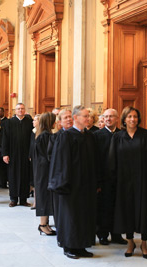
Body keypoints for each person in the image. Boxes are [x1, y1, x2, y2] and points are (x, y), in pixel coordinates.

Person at [108, 106, 147, 259]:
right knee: (127, 211)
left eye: (135, 116)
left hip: (142, 181)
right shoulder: (118, 137)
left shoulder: (146, 135)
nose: (133, 119)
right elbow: (112, 160)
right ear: (124, 119)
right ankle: (130, 242)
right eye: (129, 117)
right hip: (123, 182)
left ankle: (144, 243)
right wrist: (112, 180)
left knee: (143, 211)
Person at [48, 105, 97, 259]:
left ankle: (81, 245)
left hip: (86, 185)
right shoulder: (66, 136)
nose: (88, 119)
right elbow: (61, 162)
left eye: (88, 116)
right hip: (70, 185)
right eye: (85, 116)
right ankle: (69, 246)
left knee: (83, 216)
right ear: (75, 118)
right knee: (70, 216)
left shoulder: (89, 136)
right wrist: (62, 183)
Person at [94, 109, 127, 246]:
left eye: (111, 116)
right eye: (106, 117)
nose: (108, 119)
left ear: (117, 118)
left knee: (118, 207)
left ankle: (116, 234)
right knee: (104, 208)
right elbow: (95, 160)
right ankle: (102, 234)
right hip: (104, 179)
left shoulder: (123, 135)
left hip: (120, 179)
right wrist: (97, 182)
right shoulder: (97, 136)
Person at [2, 103, 33, 207]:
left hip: (25, 154)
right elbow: (4, 139)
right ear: (15, 111)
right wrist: (5, 154)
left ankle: (23, 199)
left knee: (25, 176)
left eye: (22, 109)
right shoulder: (9, 122)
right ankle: (13, 199)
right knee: (13, 176)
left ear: (25, 110)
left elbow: (32, 139)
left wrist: (31, 153)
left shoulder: (29, 122)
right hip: (13, 154)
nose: (20, 110)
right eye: (18, 109)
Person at [33, 112, 57, 236]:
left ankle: (45, 223)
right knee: (44, 196)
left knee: (45, 196)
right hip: (45, 171)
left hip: (42, 170)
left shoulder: (41, 134)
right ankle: (43, 224)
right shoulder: (45, 136)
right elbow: (48, 155)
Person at [29, 114, 41, 210]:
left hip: (40, 160)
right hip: (33, 158)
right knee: (34, 180)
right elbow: (31, 145)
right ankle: (35, 202)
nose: (33, 122)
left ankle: (38, 202)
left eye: (35, 120)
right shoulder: (33, 132)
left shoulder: (42, 133)